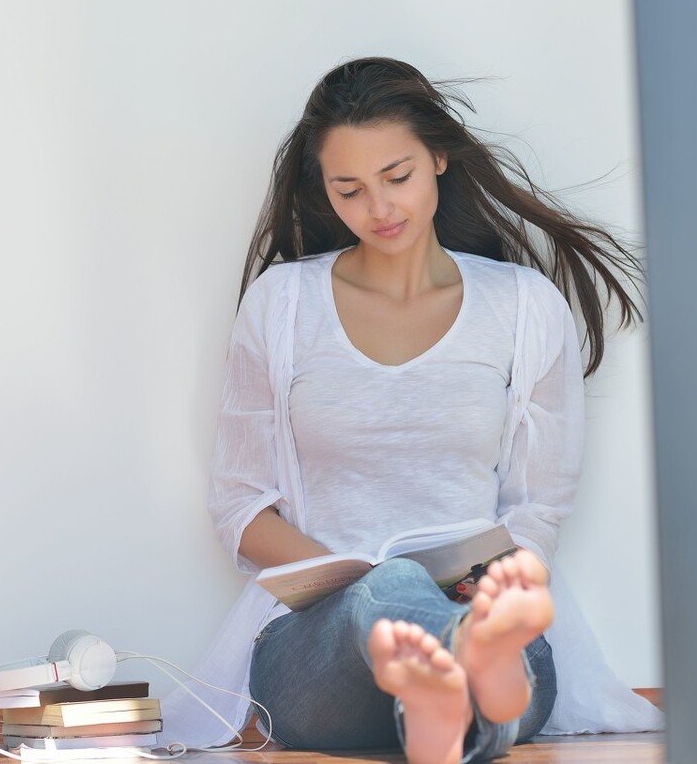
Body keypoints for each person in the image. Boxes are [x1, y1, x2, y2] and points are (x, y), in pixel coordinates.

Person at [159, 58, 664, 763]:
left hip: (479, 608)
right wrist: (371, 581)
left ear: (438, 155)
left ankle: (443, 710)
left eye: (397, 177)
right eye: (350, 189)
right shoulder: (282, 305)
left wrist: (473, 593)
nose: (380, 209)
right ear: (324, 191)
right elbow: (242, 508)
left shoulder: (522, 307)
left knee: (461, 632)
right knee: (390, 589)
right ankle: (470, 673)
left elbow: (536, 512)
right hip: (318, 651)